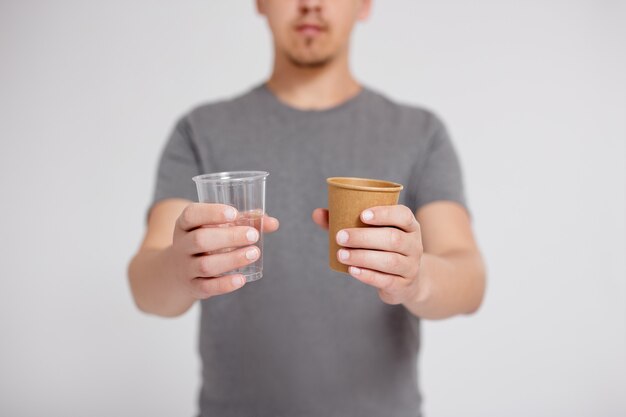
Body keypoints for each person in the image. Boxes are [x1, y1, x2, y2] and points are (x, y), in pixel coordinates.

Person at [128, 0, 486, 415]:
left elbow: (470, 279)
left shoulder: (421, 133)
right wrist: (180, 268)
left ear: (364, 5)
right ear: (261, 3)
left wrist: (417, 278)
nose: (311, 4)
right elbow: (145, 286)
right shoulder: (200, 130)